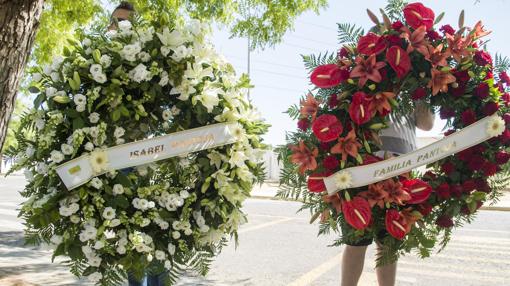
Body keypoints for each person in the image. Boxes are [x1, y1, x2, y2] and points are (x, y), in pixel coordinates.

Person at [340, 102, 435, 286]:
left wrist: (420, 96)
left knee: (388, 243)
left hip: (401, 171)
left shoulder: (415, 84)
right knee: (356, 241)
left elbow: (427, 124)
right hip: (364, 165)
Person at [107, 3, 168, 286]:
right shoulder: (101, 65)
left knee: (158, 237)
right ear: (110, 26)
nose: (122, 28)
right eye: (117, 23)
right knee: (132, 239)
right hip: (119, 164)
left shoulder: (153, 62)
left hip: (153, 159)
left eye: (127, 23)